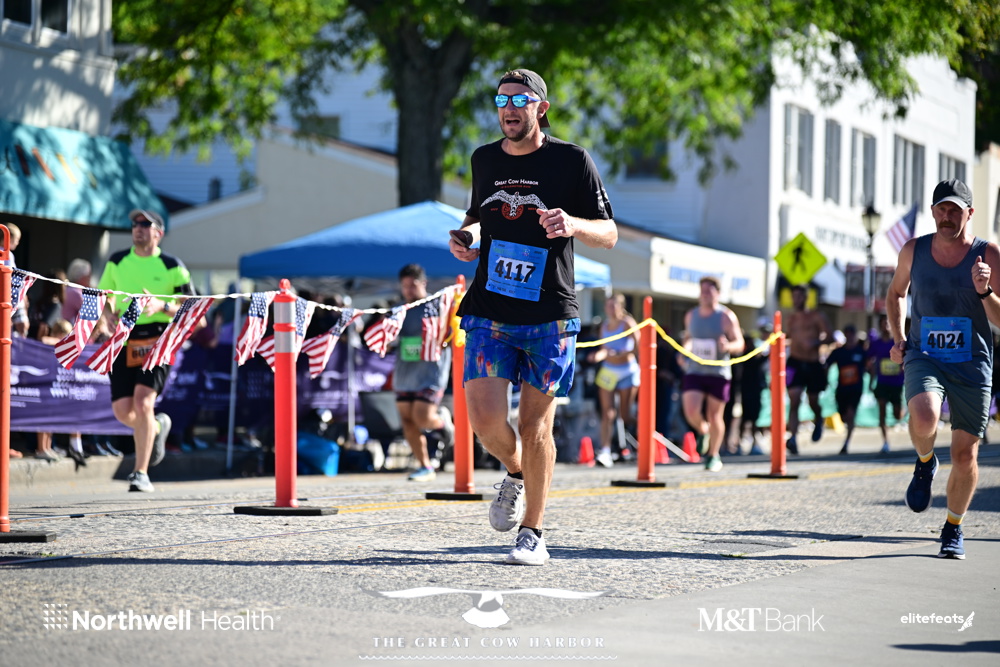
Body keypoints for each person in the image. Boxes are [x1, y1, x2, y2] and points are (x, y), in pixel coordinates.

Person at [449, 68, 617, 566]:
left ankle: (533, 531)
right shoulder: (484, 159)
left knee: (534, 424)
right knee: (484, 421)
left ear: (541, 109)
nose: (510, 108)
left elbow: (609, 233)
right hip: (490, 308)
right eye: (502, 100)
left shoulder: (572, 160)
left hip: (549, 314)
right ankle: (517, 472)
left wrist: (573, 224)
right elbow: (479, 216)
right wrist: (467, 239)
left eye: (520, 100)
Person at [886, 178, 999, 559]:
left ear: (970, 213)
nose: (947, 217)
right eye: (941, 209)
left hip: (972, 362)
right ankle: (925, 462)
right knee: (924, 414)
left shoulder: (988, 255)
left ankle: (953, 527)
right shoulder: (913, 250)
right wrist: (899, 338)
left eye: (955, 210)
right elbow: (895, 293)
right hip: (925, 354)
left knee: (965, 455)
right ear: (933, 212)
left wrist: (984, 291)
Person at [97, 209, 195, 492]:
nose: (138, 228)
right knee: (122, 411)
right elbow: (104, 297)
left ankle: (140, 473)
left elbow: (192, 308)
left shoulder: (172, 265)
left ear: (158, 233)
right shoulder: (117, 260)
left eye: (145, 224)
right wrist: (108, 316)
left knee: (142, 403)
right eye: (134, 224)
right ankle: (157, 426)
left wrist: (162, 305)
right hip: (124, 337)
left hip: (158, 338)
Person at [391, 263, 454, 481]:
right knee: (407, 421)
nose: (408, 290)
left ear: (423, 283)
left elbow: (452, 333)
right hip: (405, 374)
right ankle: (425, 466)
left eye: (413, 285)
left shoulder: (437, 305)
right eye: (405, 286)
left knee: (422, 417)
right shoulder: (398, 310)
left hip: (431, 372)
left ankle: (443, 424)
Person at [679, 276, 744, 472]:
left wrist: (728, 346)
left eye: (709, 291)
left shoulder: (726, 316)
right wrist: (684, 352)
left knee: (715, 416)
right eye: (703, 291)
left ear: (718, 293)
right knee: (691, 411)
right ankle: (703, 429)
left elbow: (739, 343)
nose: (705, 295)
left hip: (718, 372)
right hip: (695, 370)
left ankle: (713, 455)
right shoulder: (691, 315)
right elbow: (689, 338)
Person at [588, 293, 640, 467]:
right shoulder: (604, 326)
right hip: (609, 371)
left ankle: (641, 437)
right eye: (607, 305)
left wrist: (619, 354)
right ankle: (605, 451)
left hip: (627, 371)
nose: (610, 309)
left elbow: (638, 348)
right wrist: (597, 356)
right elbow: (604, 349)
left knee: (625, 415)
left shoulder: (628, 323)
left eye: (613, 305)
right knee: (607, 413)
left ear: (621, 307)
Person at [784, 284, 833, 454]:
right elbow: (788, 336)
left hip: (812, 363)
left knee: (813, 400)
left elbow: (831, 337)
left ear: (805, 297)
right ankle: (793, 438)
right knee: (794, 399)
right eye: (794, 296)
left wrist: (815, 343)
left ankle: (818, 418)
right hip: (795, 362)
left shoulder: (816, 316)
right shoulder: (791, 318)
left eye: (799, 296)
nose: (796, 300)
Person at [824, 323, 867, 455]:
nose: (850, 337)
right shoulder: (839, 352)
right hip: (842, 389)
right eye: (847, 334)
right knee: (843, 416)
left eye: (852, 334)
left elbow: (869, 366)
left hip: (856, 388)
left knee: (851, 414)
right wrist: (824, 379)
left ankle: (847, 442)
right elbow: (827, 365)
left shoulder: (861, 351)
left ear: (855, 336)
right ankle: (847, 426)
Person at [867, 315, 905, 453]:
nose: (886, 326)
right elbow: (869, 361)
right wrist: (871, 379)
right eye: (883, 323)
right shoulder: (876, 343)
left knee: (897, 415)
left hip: (896, 383)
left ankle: (904, 412)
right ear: (880, 325)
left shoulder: (898, 343)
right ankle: (885, 442)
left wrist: (903, 367)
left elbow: (906, 359)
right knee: (881, 410)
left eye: (888, 323)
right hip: (882, 382)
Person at [738, 316, 771, 455]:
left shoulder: (755, 356)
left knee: (754, 418)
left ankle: (752, 443)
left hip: (755, 390)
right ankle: (741, 443)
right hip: (748, 391)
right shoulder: (745, 357)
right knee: (747, 418)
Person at [2, 222, 28, 337]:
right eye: (17, 239)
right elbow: (14, 280)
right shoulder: (8, 255)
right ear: (9, 238)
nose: (18, 243)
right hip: (6, 296)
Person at [62, 258, 92, 322]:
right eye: (88, 275)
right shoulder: (75, 292)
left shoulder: (68, 289)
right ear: (81, 276)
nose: (90, 278)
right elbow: (91, 312)